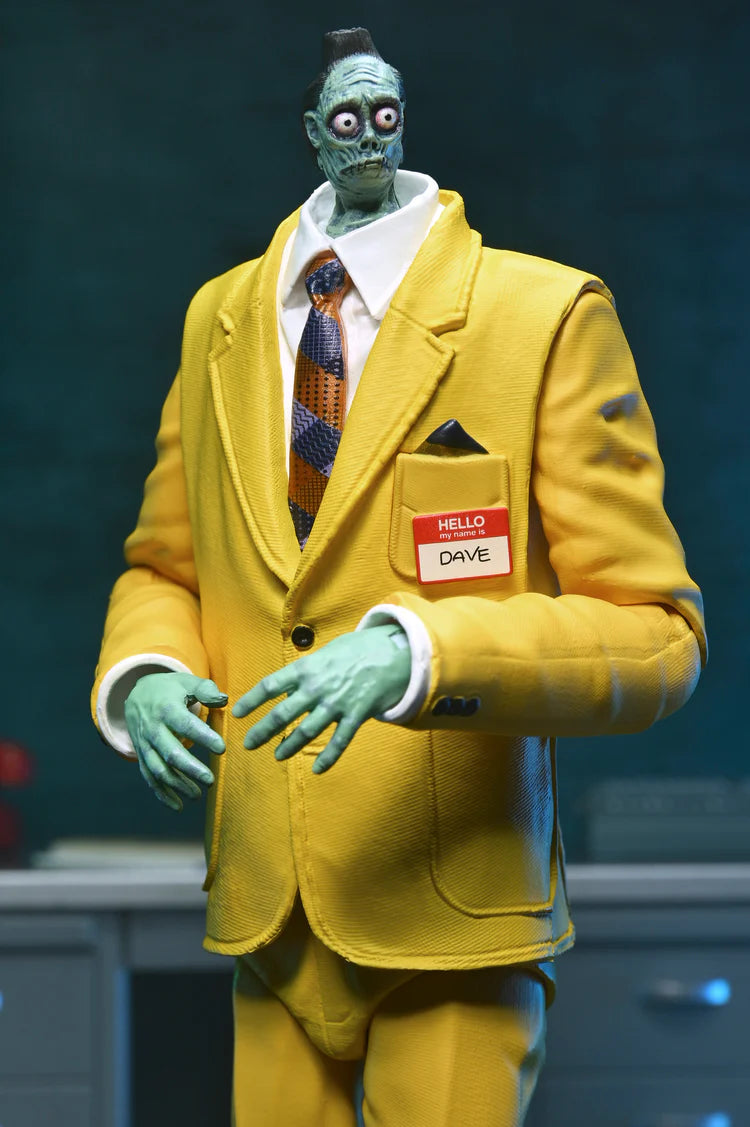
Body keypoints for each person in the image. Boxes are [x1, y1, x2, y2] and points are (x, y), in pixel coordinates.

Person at [92, 27, 706, 1127]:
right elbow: (166, 565)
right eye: (346, 119)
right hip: (268, 903)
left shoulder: (543, 315)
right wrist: (145, 671)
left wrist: (422, 649)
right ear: (312, 133)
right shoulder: (220, 319)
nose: (369, 136)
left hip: (455, 908)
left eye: (385, 115)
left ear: (405, 120)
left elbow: (658, 634)